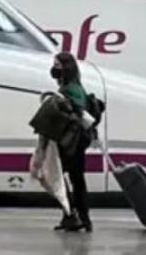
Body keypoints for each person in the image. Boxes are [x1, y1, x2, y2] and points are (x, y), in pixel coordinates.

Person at [52, 52, 93, 233]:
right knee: (76, 179)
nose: (54, 68)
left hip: (71, 141)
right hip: (77, 140)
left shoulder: (70, 89)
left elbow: (74, 113)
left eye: (57, 65)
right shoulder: (76, 86)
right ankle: (79, 217)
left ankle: (73, 216)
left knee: (63, 178)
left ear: (65, 67)